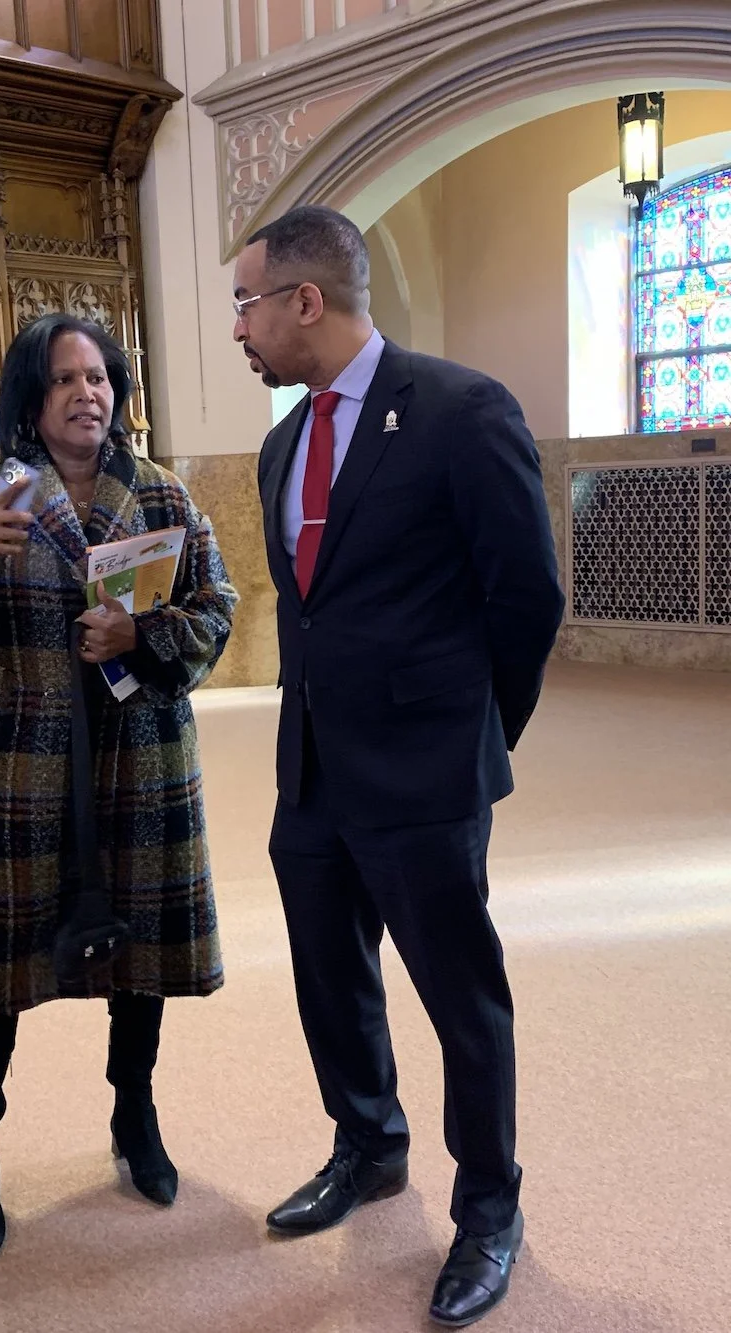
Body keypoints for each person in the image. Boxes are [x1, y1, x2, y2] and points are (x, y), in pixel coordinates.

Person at [233, 206, 564, 1328]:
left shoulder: (461, 411)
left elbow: (525, 596)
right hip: (314, 767)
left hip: (425, 770)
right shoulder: (281, 443)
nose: (239, 327)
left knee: (460, 998)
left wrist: (473, 738)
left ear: (304, 301)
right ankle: (368, 1144)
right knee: (331, 976)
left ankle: (488, 1207)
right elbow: (312, 612)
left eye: (246, 302)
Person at [0, 313, 237, 1259]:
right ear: (31, 400)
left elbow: (221, 604)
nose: (89, 393)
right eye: (66, 379)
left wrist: (144, 637)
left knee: (140, 963)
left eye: (100, 377)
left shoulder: (160, 491)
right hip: (23, 773)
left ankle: (135, 1115)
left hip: (144, 767)